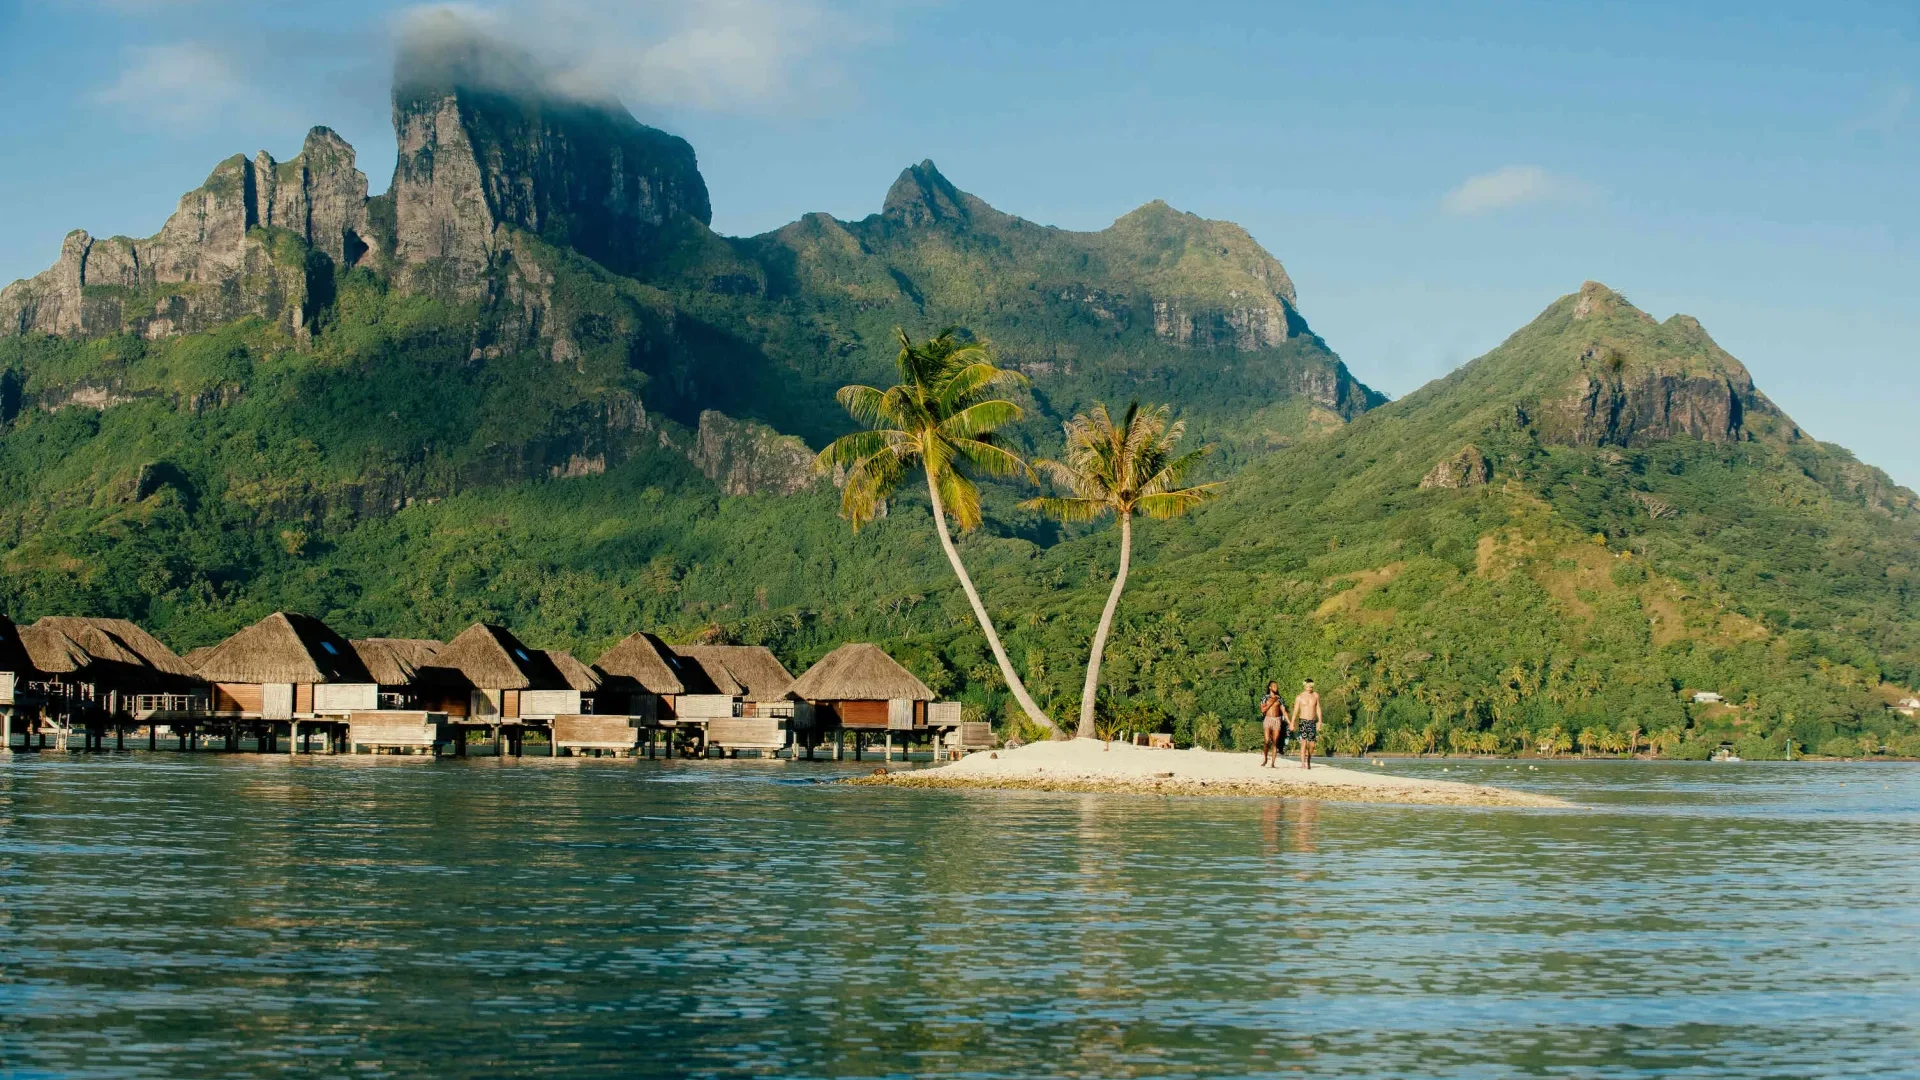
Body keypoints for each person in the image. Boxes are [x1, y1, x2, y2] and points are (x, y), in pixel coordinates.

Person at [1292, 679, 1322, 770]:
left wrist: (1320, 721)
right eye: (1307, 686)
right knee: (1304, 743)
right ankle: (1303, 763)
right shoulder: (1299, 697)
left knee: (1312, 744)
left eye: (1311, 686)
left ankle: (1308, 760)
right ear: (1304, 686)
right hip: (1303, 721)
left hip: (1312, 721)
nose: (1309, 687)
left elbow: (1318, 708)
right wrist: (1292, 722)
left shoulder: (1315, 695)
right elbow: (1296, 711)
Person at [1259, 681, 1289, 767]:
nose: (1276, 687)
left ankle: (1272, 763)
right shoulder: (1265, 698)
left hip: (1277, 720)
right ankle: (1265, 759)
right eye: (1274, 686)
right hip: (1268, 719)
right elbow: (1262, 710)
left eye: (1277, 686)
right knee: (1266, 741)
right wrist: (1272, 703)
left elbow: (1284, 711)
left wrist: (1290, 722)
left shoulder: (1280, 699)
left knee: (1275, 742)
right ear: (1270, 687)